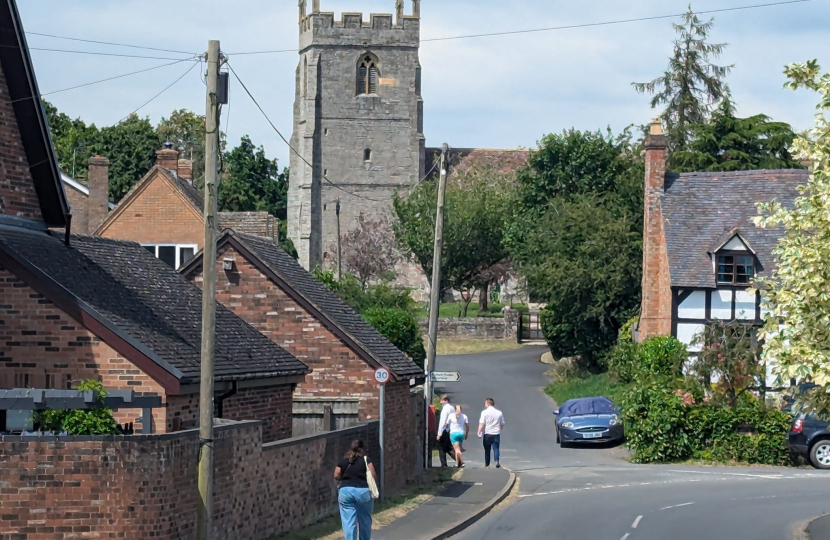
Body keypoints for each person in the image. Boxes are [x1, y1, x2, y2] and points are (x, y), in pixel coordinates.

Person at [334, 439, 378, 540]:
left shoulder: (343, 460)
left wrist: (343, 478)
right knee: (365, 520)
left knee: (348, 521)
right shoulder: (366, 460)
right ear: (362, 449)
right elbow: (373, 473)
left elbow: (336, 474)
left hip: (346, 492)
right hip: (363, 492)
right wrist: (373, 484)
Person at [477, 398, 505, 468]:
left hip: (488, 433)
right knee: (496, 448)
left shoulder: (484, 412)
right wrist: (500, 429)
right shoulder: (499, 412)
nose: (485, 404)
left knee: (487, 449)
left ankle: (487, 463)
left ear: (488, 404)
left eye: (485, 403)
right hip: (496, 433)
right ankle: (497, 461)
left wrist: (479, 431)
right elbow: (502, 423)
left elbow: (482, 423)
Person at [436, 395, 456, 467]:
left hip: (444, 430)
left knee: (442, 448)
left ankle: (443, 464)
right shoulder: (452, 408)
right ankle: (459, 460)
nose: (441, 402)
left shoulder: (445, 409)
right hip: (450, 429)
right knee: (448, 447)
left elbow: (442, 421)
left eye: (442, 401)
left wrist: (439, 433)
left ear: (446, 400)